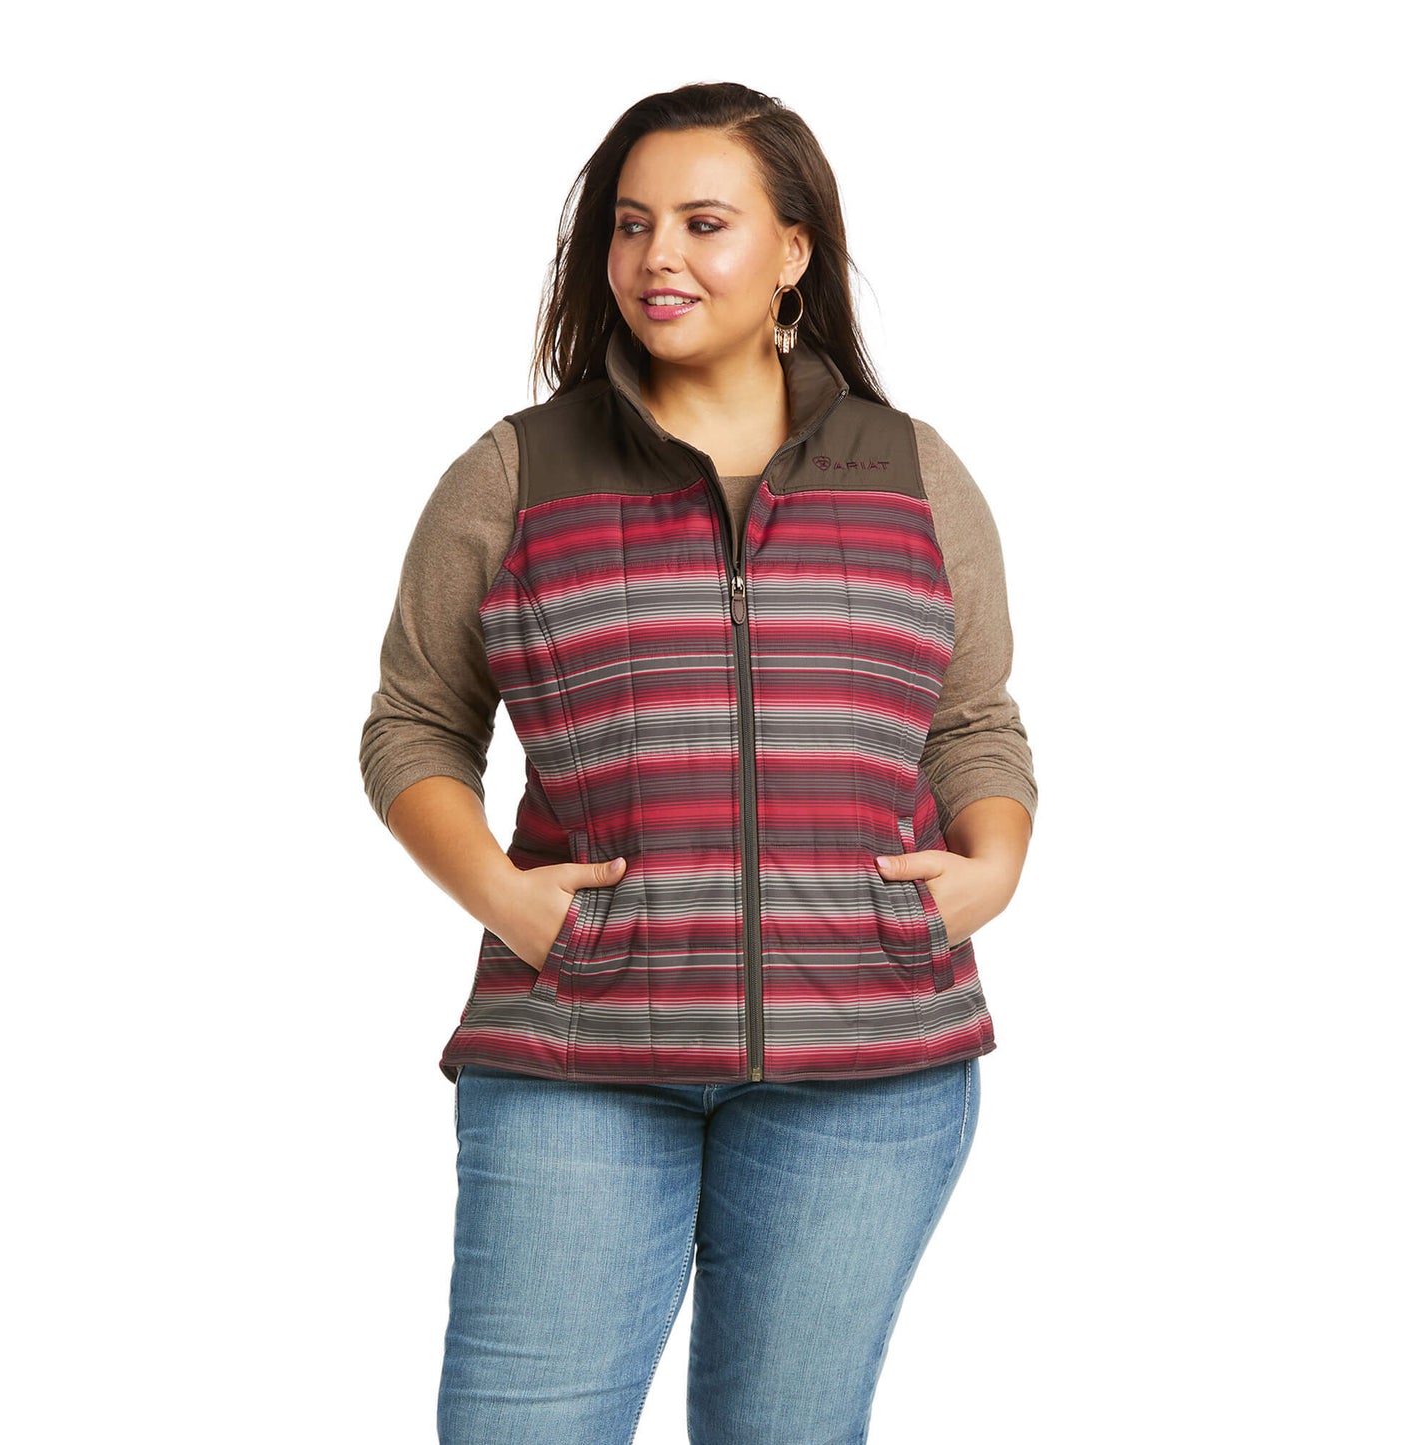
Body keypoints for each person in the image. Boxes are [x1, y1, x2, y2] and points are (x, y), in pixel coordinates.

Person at [359, 80, 1036, 1445]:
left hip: (869, 1056)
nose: (656, 256)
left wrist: (993, 865)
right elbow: (414, 722)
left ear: (792, 251)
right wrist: (505, 899)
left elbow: (972, 717)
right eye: (631, 224)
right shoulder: (517, 473)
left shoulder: (908, 472)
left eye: (702, 223)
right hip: (579, 1045)